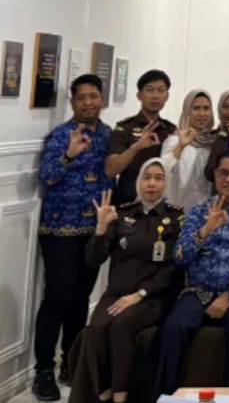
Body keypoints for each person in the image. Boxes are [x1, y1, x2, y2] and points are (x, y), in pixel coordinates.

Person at [153, 150, 229, 398]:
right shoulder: (197, 212)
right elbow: (180, 256)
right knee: (173, 328)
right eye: (224, 173)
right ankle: (166, 397)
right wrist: (205, 230)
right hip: (199, 291)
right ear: (215, 176)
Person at [33, 74, 113, 401]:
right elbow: (47, 176)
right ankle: (43, 371)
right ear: (73, 101)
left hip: (93, 231)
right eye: (82, 97)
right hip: (59, 231)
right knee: (57, 297)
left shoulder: (109, 136)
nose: (88, 102)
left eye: (94, 96)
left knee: (81, 299)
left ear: (102, 99)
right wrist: (68, 154)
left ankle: (71, 361)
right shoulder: (60, 135)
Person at [74, 160, 182, 403]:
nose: (152, 183)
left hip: (150, 297)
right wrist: (101, 228)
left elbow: (172, 268)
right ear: (138, 181)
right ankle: (103, 390)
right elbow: (93, 259)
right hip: (116, 293)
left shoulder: (176, 218)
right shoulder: (122, 214)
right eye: (146, 177)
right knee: (95, 329)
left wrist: (140, 294)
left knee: (122, 325)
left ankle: (121, 394)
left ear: (167, 183)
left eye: (158, 178)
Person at [105, 69, 176, 205]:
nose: (155, 95)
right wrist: (135, 148)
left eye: (161, 90)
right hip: (128, 203)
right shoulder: (125, 128)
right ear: (139, 95)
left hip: (160, 206)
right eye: (149, 90)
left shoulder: (171, 130)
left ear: (167, 96)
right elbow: (110, 170)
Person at [161, 89, 215, 210]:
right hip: (176, 211)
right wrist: (181, 146)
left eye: (206, 108)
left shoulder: (212, 143)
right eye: (196, 108)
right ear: (187, 111)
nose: (201, 113)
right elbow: (163, 171)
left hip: (205, 213)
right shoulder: (174, 141)